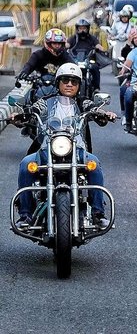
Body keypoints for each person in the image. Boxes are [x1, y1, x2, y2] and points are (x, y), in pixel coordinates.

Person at [15, 63, 116, 230]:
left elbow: (94, 110)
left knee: (95, 164)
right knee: (26, 165)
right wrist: (20, 116)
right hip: (47, 149)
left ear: (79, 85)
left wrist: (104, 114)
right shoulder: (45, 102)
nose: (69, 84)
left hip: (77, 150)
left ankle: (98, 213)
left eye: (74, 82)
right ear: (58, 83)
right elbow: (32, 112)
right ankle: (25, 214)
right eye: (65, 80)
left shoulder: (83, 103)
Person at [66, 18, 106, 93]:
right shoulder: (73, 38)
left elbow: (98, 45)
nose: (82, 30)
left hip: (88, 59)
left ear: (87, 29)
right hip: (75, 60)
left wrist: (101, 48)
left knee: (95, 67)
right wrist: (63, 47)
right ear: (77, 29)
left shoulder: (92, 38)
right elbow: (67, 45)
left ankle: (96, 88)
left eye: (84, 28)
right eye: (80, 28)